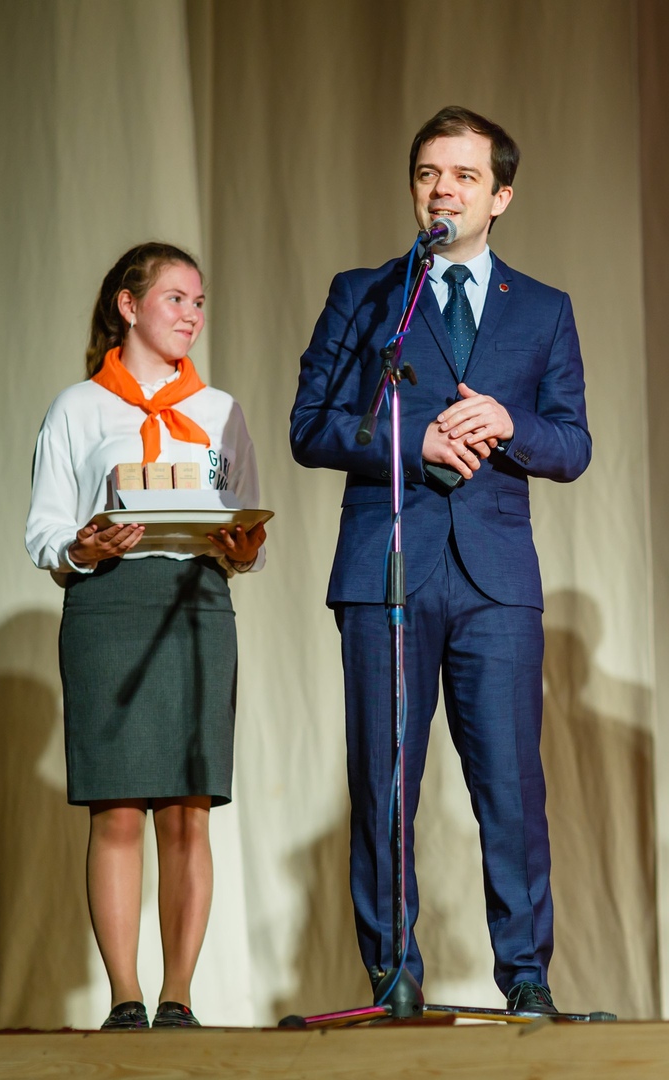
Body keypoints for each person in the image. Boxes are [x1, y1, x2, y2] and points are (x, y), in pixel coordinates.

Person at [290, 107, 591, 1015]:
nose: (442, 191)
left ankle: (526, 978)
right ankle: (394, 976)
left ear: (500, 196)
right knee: (384, 783)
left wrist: (509, 422)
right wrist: (410, 438)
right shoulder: (367, 294)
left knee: (511, 785)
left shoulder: (543, 309)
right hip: (386, 564)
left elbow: (572, 445)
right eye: (428, 174)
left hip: (496, 579)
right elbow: (310, 425)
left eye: (463, 176)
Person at [26, 242, 266, 1030]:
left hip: (197, 603)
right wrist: (82, 547)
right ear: (128, 307)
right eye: (175, 299)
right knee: (119, 807)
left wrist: (243, 548)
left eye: (198, 302)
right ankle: (126, 997)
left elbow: (245, 526)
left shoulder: (219, 409)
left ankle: (179, 998)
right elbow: (45, 530)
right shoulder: (78, 407)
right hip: (109, 605)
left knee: (189, 809)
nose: (191, 315)